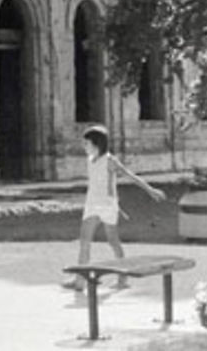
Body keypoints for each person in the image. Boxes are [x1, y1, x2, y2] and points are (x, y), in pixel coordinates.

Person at [61, 125, 166, 291]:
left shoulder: (110, 160)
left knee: (113, 241)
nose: (84, 147)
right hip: (91, 204)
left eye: (87, 143)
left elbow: (130, 176)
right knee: (85, 241)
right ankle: (80, 281)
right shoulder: (90, 160)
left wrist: (150, 189)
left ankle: (122, 279)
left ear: (97, 144)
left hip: (107, 205)